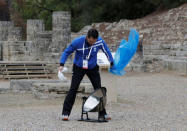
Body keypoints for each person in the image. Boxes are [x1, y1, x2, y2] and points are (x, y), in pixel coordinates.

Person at [59, 28, 114, 121]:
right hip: (79, 67)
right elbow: (67, 52)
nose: (92, 43)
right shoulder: (78, 42)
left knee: (99, 90)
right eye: (90, 41)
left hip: (92, 67)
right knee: (73, 89)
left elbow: (107, 51)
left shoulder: (100, 42)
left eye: (94, 41)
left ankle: (103, 113)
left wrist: (111, 61)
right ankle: (65, 113)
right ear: (87, 37)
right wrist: (61, 64)